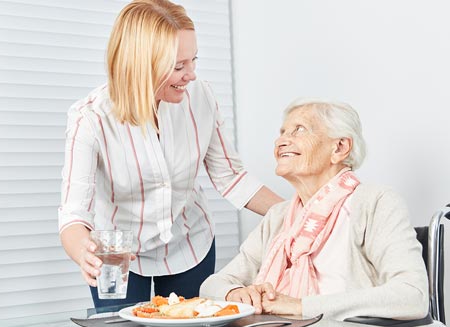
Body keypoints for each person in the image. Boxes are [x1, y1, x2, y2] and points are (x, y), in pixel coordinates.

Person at [57, 0, 283, 309]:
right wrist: (82, 250)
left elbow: (230, 177)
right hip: (119, 253)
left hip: (189, 243)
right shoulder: (91, 118)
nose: (191, 75)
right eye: (178, 66)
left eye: (193, 61)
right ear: (140, 65)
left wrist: (294, 213)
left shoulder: (200, 96)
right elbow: (73, 215)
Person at [200, 98, 429, 321]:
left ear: (340, 147)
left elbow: (412, 295)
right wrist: (233, 293)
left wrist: (301, 306)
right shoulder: (278, 216)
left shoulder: (375, 202)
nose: (281, 141)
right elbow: (212, 285)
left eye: (299, 130)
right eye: (282, 132)